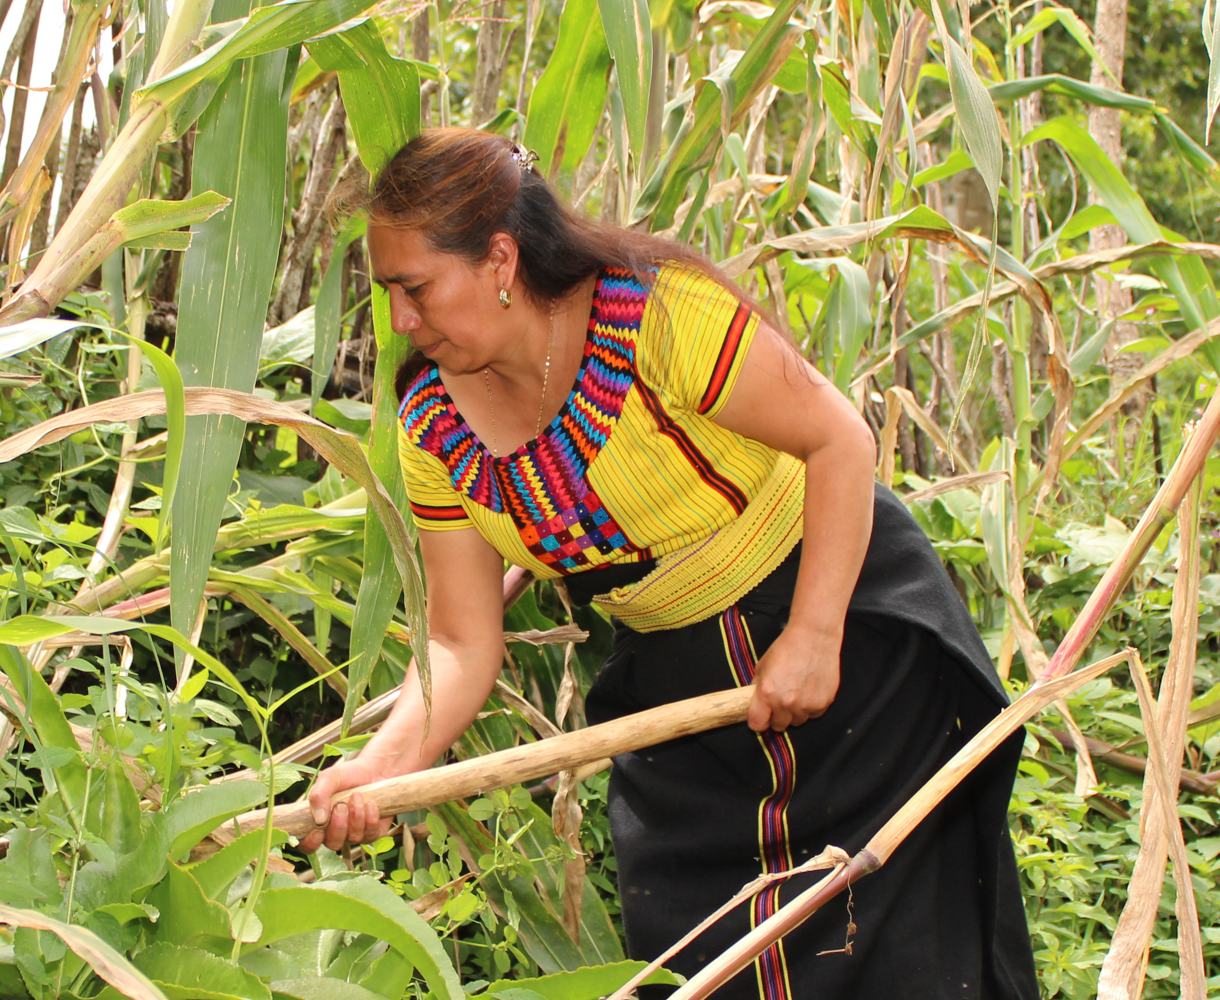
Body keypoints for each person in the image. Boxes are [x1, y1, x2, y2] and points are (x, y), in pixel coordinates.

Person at [301, 128, 1039, 1000]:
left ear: (499, 258)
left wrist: (813, 633)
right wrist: (385, 768)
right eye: (387, 294)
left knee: (892, 945)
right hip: (682, 695)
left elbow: (839, 438)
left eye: (414, 289)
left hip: (851, 645)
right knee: (707, 961)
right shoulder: (431, 424)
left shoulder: (654, 315)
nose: (400, 321)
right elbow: (462, 641)